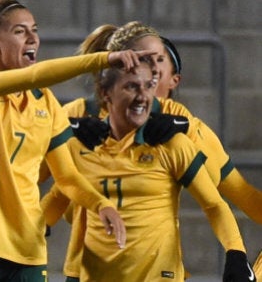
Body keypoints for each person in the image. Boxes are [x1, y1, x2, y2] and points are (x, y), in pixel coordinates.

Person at [0, 0, 157, 282]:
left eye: (35, 30)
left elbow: (66, 176)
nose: (32, 38)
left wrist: (100, 204)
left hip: (27, 249)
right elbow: (33, 77)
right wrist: (103, 59)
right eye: (20, 31)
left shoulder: (46, 103)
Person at [44, 21, 262, 281]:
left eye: (160, 59)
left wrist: (235, 252)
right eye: (148, 58)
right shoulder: (77, 117)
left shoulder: (177, 123)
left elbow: (231, 193)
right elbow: (42, 181)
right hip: (90, 266)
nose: (155, 67)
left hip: (157, 269)